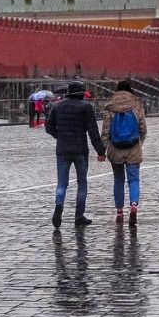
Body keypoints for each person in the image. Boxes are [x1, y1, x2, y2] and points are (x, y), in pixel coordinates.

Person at [46, 81, 106, 227]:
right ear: (81, 93)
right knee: (82, 183)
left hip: (62, 150)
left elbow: (49, 127)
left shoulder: (57, 106)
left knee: (62, 183)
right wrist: (100, 151)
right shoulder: (86, 107)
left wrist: (59, 136)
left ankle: (59, 204)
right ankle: (79, 216)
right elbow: (93, 131)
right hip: (80, 150)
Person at [99, 80, 147, 226]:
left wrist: (103, 150)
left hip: (116, 149)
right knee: (134, 180)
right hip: (133, 147)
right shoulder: (136, 103)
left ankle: (119, 212)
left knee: (118, 180)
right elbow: (143, 128)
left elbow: (105, 132)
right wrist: (139, 143)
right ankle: (133, 205)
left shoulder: (110, 105)